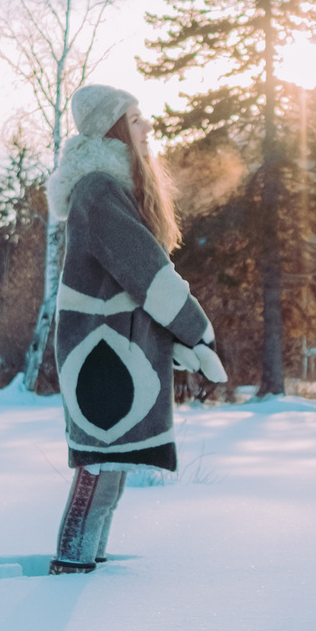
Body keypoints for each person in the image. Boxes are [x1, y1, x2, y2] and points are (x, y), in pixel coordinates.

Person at [43, 83, 226, 573]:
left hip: (111, 350)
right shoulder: (99, 191)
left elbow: (133, 280)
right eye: (137, 117)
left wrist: (176, 343)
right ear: (114, 129)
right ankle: (71, 569)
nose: (148, 126)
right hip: (100, 353)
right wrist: (195, 332)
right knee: (99, 467)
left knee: (110, 468)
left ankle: (86, 567)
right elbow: (148, 273)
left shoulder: (110, 187)